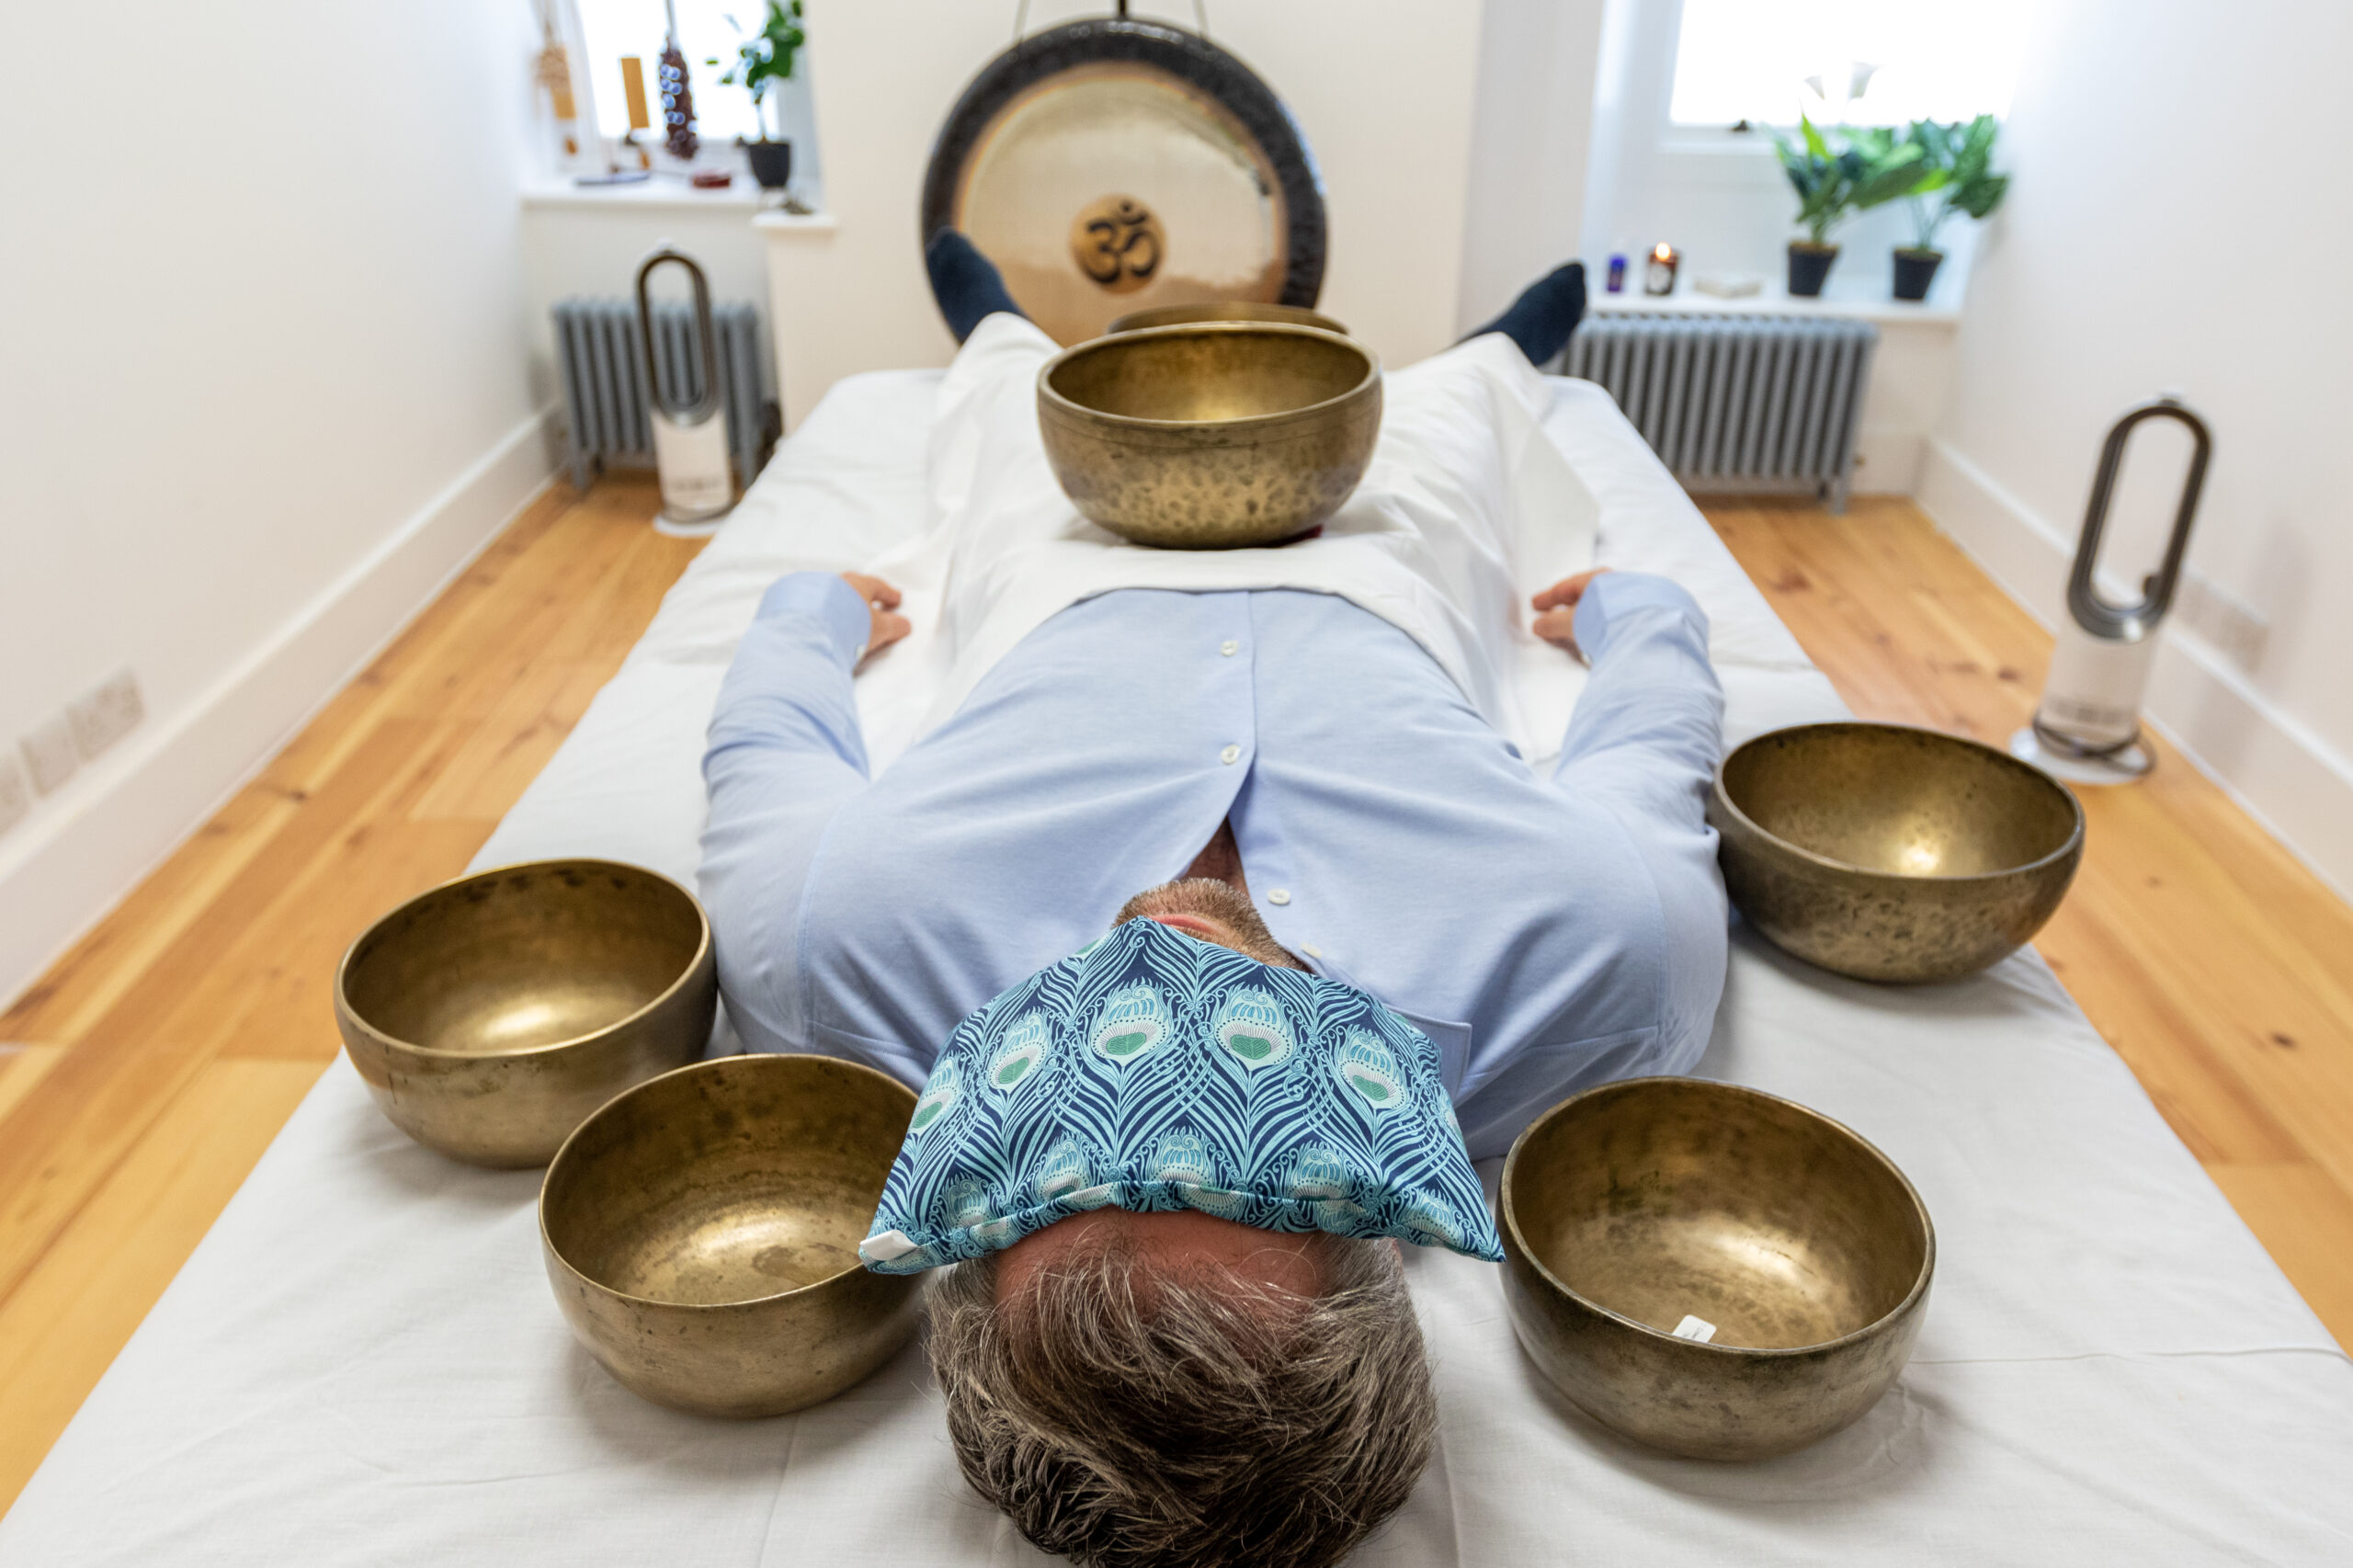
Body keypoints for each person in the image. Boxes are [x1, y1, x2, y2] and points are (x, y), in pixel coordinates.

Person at [699, 237, 1726, 1568]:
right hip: (1377, 566)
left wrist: (813, 613)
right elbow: (1651, 744)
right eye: (1252, 1110)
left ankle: (993, 323)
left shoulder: (838, 949)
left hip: (1066, 565)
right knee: (1451, 422)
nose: (1168, 983)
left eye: (1079, 1121)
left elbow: (767, 747)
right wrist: (1641, 616)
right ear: (1384, 1232)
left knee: (1011, 410)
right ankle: (1505, 350)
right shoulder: (1601, 960)